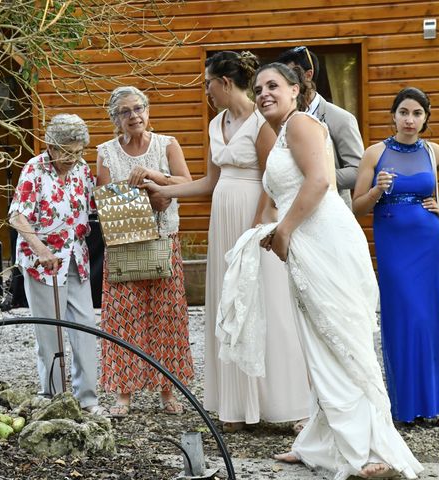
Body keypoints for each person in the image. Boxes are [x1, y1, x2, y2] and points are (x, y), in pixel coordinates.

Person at [232, 63, 422, 478]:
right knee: (319, 342)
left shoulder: (301, 123)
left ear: (297, 89)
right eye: (258, 88)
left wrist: (283, 231)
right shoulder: (279, 133)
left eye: (273, 86)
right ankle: (319, 441)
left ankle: (370, 449)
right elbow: (277, 192)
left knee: (342, 341)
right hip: (306, 242)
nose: (264, 93)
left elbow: (319, 182)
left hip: (326, 241)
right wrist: (262, 234)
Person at [143, 51, 310, 432]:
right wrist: (168, 190)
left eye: (207, 83)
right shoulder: (215, 123)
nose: (205, 91)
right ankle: (234, 404)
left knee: (266, 303)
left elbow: (273, 180)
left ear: (225, 82)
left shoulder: (261, 122)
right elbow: (210, 183)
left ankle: (285, 403)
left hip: (256, 218)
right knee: (229, 306)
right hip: (223, 220)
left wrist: (257, 227)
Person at [352, 87, 439, 428]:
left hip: (431, 244)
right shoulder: (375, 153)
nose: (410, 119)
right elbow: (357, 207)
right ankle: (409, 406)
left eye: (417, 113)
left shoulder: (433, 151)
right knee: (406, 320)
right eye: (404, 112)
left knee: (436, 322)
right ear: (393, 115)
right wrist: (377, 190)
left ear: (425, 118)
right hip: (395, 249)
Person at [96, 86, 194, 417]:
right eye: (125, 111)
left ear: (148, 111)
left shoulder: (168, 144)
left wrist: (154, 176)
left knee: (166, 317)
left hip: (164, 240)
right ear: (115, 118)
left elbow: (184, 182)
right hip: (124, 245)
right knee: (123, 319)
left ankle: (168, 391)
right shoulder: (107, 152)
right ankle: (124, 394)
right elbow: (107, 202)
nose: (134, 116)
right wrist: (146, 201)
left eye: (139, 108)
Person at [8, 114, 106, 416]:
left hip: (76, 259)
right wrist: (40, 249)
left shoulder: (81, 169)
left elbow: (96, 202)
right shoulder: (34, 170)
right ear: (51, 146)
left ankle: (87, 398)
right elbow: (16, 216)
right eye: (66, 152)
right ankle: (53, 399)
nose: (72, 158)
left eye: (78, 152)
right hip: (43, 264)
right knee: (49, 334)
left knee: (86, 328)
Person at [276, 46, 363, 206]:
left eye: (289, 76)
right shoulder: (279, 118)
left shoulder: (341, 118)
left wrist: (313, 178)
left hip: (330, 208)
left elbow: (357, 171)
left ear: (308, 75)